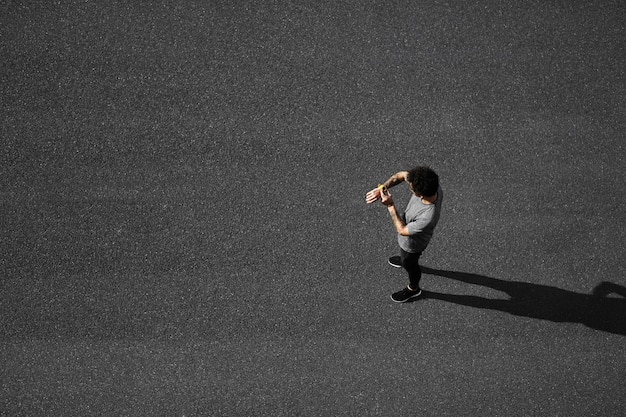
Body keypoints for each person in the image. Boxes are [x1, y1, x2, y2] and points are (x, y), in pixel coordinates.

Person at [365, 166, 443, 302]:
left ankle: (414, 289)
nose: (410, 187)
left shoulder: (427, 217)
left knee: (410, 263)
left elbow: (402, 230)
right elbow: (400, 175)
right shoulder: (430, 185)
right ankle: (403, 260)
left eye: (411, 189)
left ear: (420, 195)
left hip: (413, 244)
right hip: (410, 234)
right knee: (405, 258)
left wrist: (390, 205)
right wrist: (382, 188)